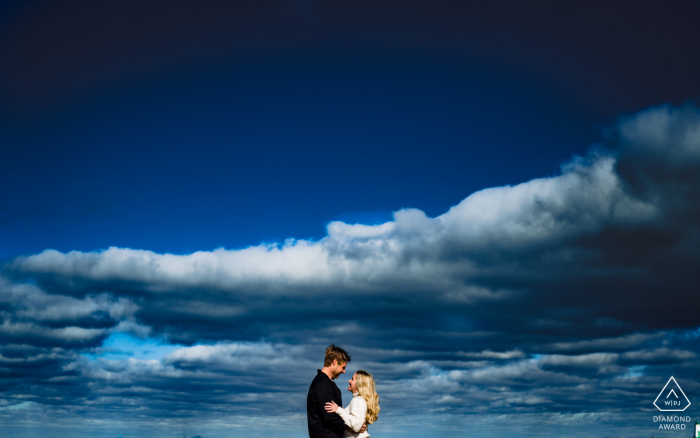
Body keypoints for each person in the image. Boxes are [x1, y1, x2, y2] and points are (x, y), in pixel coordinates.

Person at [308, 344, 364, 438]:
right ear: (335, 362)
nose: (344, 371)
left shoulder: (328, 384)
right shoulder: (322, 384)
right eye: (343, 367)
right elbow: (329, 416)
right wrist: (352, 426)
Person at [324, 370, 379, 438]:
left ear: (359, 384)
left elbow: (356, 426)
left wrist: (339, 410)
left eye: (352, 379)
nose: (349, 381)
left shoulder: (358, 400)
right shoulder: (360, 400)